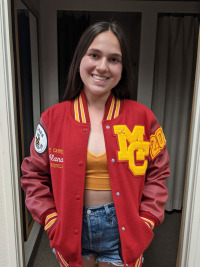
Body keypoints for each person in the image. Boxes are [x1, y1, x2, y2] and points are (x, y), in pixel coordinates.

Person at [21, 21, 170, 267]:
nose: (102, 66)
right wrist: (50, 220)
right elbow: (33, 175)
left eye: (114, 59)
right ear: (80, 59)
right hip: (70, 229)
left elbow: (158, 173)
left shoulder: (143, 118)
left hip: (122, 231)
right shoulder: (52, 118)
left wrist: (146, 220)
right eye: (94, 55)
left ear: (122, 68)